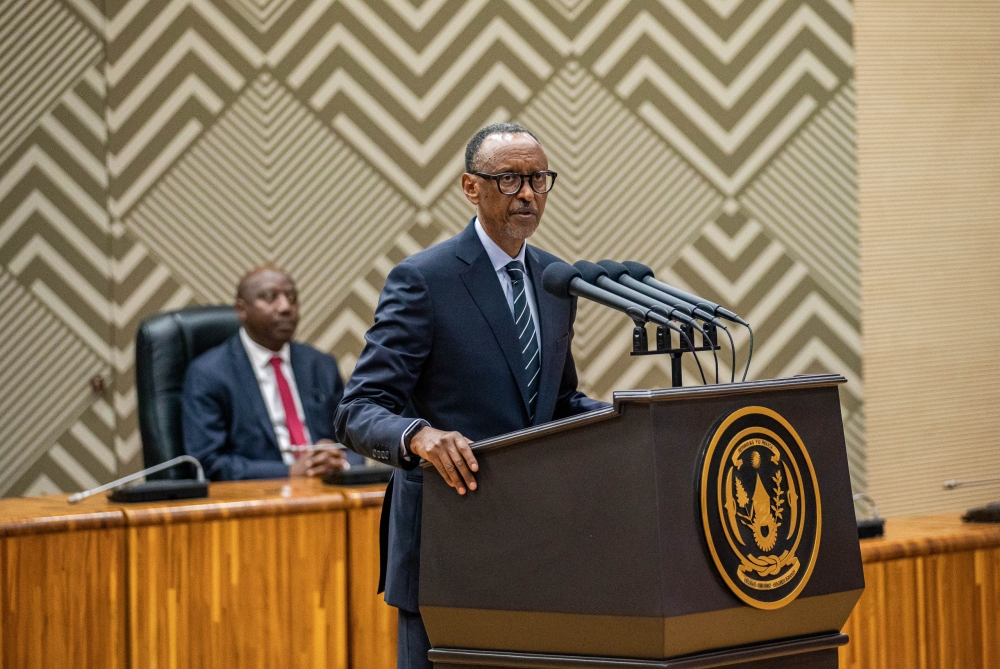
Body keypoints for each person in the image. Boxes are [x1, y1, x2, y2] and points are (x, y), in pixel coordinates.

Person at [335, 123, 608, 669]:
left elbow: (556, 401)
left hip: (537, 547)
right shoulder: (425, 279)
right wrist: (419, 435)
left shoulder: (554, 278)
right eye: (509, 179)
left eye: (538, 179)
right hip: (447, 543)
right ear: (470, 187)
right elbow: (357, 409)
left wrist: (625, 420)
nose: (528, 193)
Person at [183, 266, 363, 480]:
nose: (286, 307)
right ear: (242, 309)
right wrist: (290, 472)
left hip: (328, 489)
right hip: (259, 500)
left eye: (292, 297)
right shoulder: (208, 373)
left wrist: (341, 461)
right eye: (270, 298)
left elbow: (354, 439)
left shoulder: (320, 364)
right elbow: (209, 462)